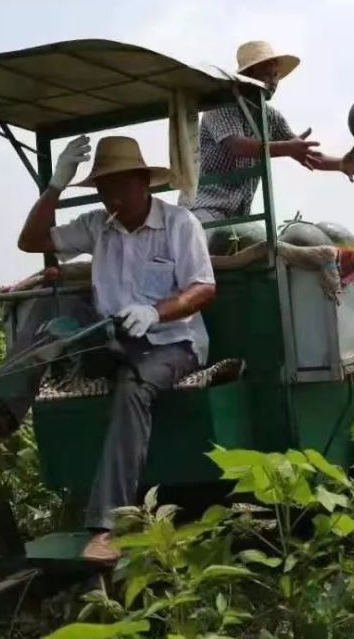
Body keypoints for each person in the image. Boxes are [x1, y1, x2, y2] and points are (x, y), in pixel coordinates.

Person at [14, 134, 216, 561]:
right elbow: (31, 242)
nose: (110, 197)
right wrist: (55, 185)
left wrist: (157, 313)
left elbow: (203, 288)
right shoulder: (96, 227)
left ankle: (108, 524)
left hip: (172, 343)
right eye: (103, 188)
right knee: (50, 322)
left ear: (144, 182)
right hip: (111, 338)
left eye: (119, 185)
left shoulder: (179, 224)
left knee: (134, 386)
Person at [188, 40, 354, 223]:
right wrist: (287, 148)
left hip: (239, 215)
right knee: (205, 242)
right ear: (249, 75)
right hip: (206, 207)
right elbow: (238, 146)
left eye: (275, 75)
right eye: (266, 75)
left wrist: (340, 164)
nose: (273, 82)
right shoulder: (223, 105)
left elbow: (304, 154)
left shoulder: (270, 117)